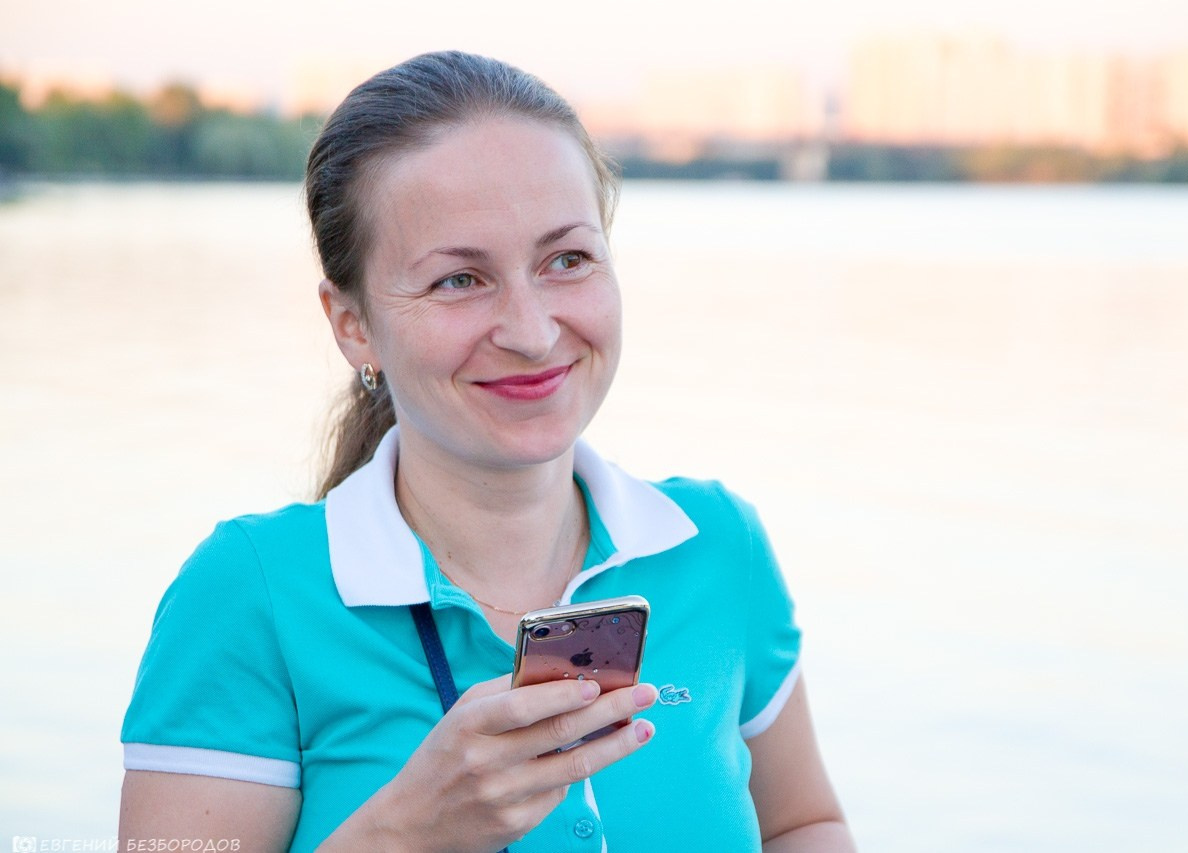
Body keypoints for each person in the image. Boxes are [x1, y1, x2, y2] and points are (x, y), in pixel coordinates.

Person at [119, 51, 854, 852]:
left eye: (565, 260)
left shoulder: (718, 546)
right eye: (459, 280)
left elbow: (802, 824)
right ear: (352, 323)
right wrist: (403, 833)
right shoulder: (249, 593)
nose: (533, 332)